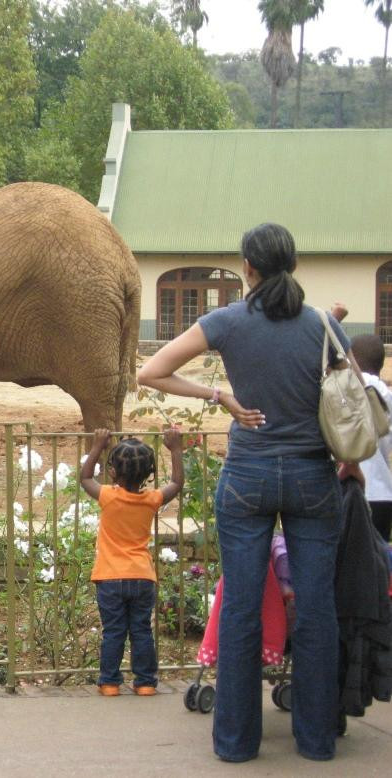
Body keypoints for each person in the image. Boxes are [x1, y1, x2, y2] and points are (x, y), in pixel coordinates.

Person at [138, 223, 359, 763]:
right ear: (294, 266)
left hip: (248, 476)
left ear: (248, 269)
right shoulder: (323, 324)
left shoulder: (226, 321)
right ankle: (316, 741)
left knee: (240, 606)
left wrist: (220, 396)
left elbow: (152, 372)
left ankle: (236, 744)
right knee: (316, 607)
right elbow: (351, 393)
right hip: (311, 476)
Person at [80, 428, 184, 697]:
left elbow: (85, 477)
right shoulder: (152, 499)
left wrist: (97, 445)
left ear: (113, 472)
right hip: (142, 576)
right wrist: (175, 450)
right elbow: (176, 483)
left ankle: (110, 683)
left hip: (110, 577)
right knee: (141, 631)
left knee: (114, 631)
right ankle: (146, 682)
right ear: (149, 473)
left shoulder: (108, 496)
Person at [350, 334, 392, 542]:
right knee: (379, 555)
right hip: (382, 492)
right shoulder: (387, 394)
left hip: (352, 488)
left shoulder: (348, 386)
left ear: (352, 359)